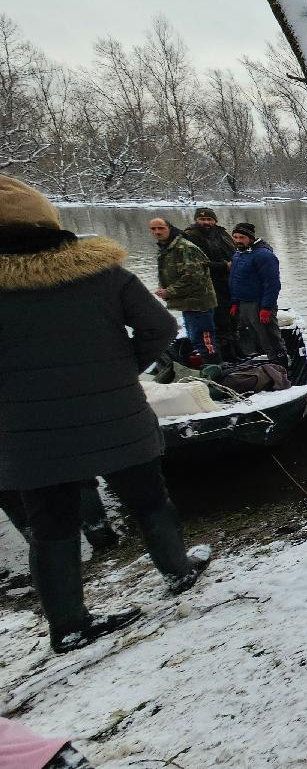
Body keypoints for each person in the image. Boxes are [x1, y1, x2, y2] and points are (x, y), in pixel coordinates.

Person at [0, 175, 212, 654]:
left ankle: (69, 625)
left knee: (49, 525)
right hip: (115, 414)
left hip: (28, 433)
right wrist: (124, 369)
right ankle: (178, 572)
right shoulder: (101, 272)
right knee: (148, 499)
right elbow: (159, 326)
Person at [148, 217, 219, 362]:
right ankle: (208, 366)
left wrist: (170, 291)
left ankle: (216, 368)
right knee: (195, 338)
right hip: (186, 302)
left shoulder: (185, 248)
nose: (157, 232)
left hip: (199, 303)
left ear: (170, 228)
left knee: (204, 341)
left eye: (161, 228)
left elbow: (194, 277)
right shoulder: (167, 248)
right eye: (153, 229)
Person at [181, 206, 239, 360]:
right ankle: (225, 358)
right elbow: (196, 264)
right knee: (219, 322)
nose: (206, 222)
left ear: (215, 220)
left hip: (228, 282)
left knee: (232, 318)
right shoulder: (190, 237)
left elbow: (234, 252)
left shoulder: (221, 233)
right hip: (209, 285)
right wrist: (223, 266)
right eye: (202, 219)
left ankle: (236, 352)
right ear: (196, 220)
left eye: (209, 219)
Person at [228, 222, 285, 364]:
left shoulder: (264, 255)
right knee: (256, 336)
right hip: (244, 303)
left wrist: (266, 308)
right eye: (235, 237)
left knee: (269, 336)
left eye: (242, 237)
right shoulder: (238, 254)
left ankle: (281, 363)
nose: (238, 240)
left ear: (251, 238)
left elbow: (272, 284)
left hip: (259, 303)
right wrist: (235, 302)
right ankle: (268, 360)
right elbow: (235, 280)